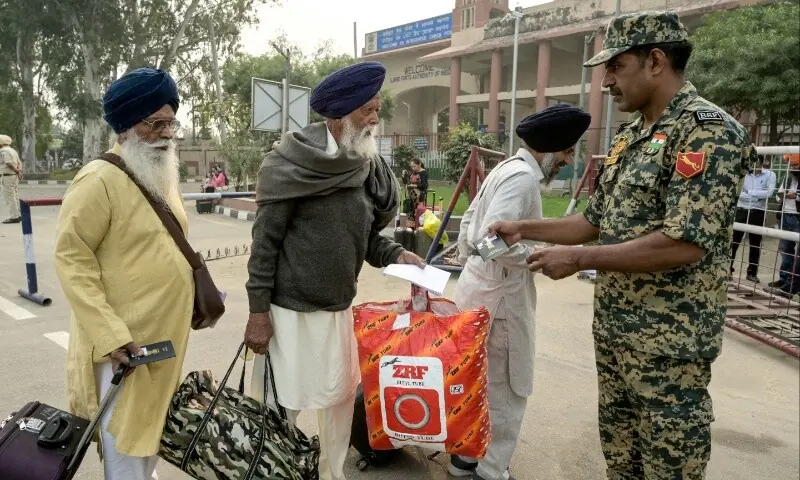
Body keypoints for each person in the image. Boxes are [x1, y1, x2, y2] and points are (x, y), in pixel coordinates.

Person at [488, 11, 756, 479]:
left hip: (669, 347)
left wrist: (577, 259)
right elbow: (592, 220)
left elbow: (684, 242)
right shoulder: (630, 138)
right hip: (616, 336)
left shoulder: (707, 131)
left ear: (656, 61)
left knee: (667, 467)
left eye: (615, 67)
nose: (606, 81)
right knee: (623, 465)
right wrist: (522, 227)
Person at [243, 61, 425, 480]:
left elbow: (365, 239)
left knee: (339, 407)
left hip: (338, 312)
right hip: (287, 315)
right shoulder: (289, 164)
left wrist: (397, 255)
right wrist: (257, 314)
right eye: (368, 110)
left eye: (378, 108)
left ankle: (330, 475)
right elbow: (264, 246)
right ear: (339, 114)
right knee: (276, 411)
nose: (376, 118)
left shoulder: (366, 166)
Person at [54, 67, 191, 480]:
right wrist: (111, 334)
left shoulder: (159, 174)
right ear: (128, 126)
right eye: (157, 123)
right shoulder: (98, 179)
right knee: (125, 447)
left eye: (172, 122)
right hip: (124, 349)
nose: (168, 133)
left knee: (150, 443)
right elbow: (71, 260)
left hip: (163, 344)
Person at [448, 104, 590, 480]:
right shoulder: (523, 178)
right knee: (507, 387)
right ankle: (492, 470)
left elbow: (468, 231)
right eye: (566, 152)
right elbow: (487, 240)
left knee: (477, 382)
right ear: (549, 148)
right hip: (501, 301)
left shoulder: (506, 167)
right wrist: (539, 257)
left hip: (480, 289)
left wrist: (476, 262)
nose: (568, 161)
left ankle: (465, 459)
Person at [730, 156, 776, 282]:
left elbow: (769, 193)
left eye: (755, 162)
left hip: (758, 212)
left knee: (755, 244)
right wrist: (756, 196)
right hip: (742, 210)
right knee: (734, 241)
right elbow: (738, 192)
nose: (752, 164)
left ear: (761, 162)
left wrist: (749, 192)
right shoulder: (742, 174)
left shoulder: (770, 175)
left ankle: (752, 273)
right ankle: (728, 269)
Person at [768, 155, 800, 298]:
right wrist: (782, 195)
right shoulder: (787, 178)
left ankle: (791, 285)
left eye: (795, 165)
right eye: (791, 165)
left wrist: (797, 196)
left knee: (798, 254)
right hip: (785, 215)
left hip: (797, 217)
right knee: (785, 250)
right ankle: (784, 279)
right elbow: (778, 194)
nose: (792, 168)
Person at [0, 134, 23, 224]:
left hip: (7, 176)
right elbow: (19, 163)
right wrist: (19, 171)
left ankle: (14, 216)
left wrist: (17, 171)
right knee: (15, 195)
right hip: (14, 176)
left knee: (10, 196)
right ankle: (18, 214)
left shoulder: (3, 151)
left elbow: (8, 163)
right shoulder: (13, 150)